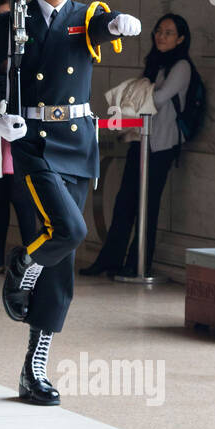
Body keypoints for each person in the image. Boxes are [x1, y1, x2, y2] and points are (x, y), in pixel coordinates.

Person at [0, 0, 141, 405]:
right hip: (32, 143)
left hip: (77, 143)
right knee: (69, 230)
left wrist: (118, 23)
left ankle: (33, 366)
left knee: (61, 260)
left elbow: (102, 27)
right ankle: (23, 264)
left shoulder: (86, 16)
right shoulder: (12, 21)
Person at [82, 14, 192, 277]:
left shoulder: (182, 66)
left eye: (168, 32)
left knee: (148, 206)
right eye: (159, 30)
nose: (161, 36)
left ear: (180, 38)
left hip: (162, 144)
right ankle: (110, 259)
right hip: (140, 141)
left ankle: (138, 263)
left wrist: (133, 100)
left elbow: (159, 100)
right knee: (124, 202)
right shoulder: (154, 64)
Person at [0, 0, 40, 276]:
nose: (3, 22)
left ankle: (32, 260)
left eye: (8, 17)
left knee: (23, 198)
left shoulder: (28, 43)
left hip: (21, 133)